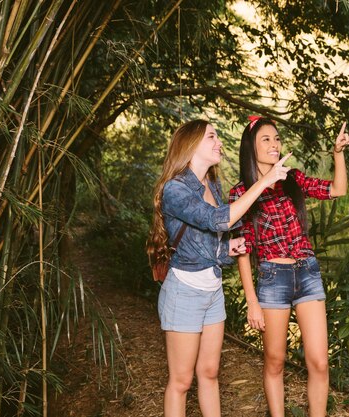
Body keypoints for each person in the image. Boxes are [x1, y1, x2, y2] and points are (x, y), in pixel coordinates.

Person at [146, 119, 293, 417]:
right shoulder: (175, 189)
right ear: (191, 144)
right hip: (184, 291)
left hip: (212, 291)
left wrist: (229, 249)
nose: (219, 142)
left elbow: (211, 242)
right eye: (212, 136)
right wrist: (264, 182)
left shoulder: (212, 184)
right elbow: (218, 220)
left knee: (210, 372)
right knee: (181, 381)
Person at [229, 116, 349, 417]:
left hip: (307, 272)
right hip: (272, 278)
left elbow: (337, 190)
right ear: (251, 148)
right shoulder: (241, 193)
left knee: (320, 362)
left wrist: (338, 154)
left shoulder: (292, 178)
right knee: (275, 361)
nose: (274, 144)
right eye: (266, 139)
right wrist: (252, 302)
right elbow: (242, 251)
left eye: (277, 138)